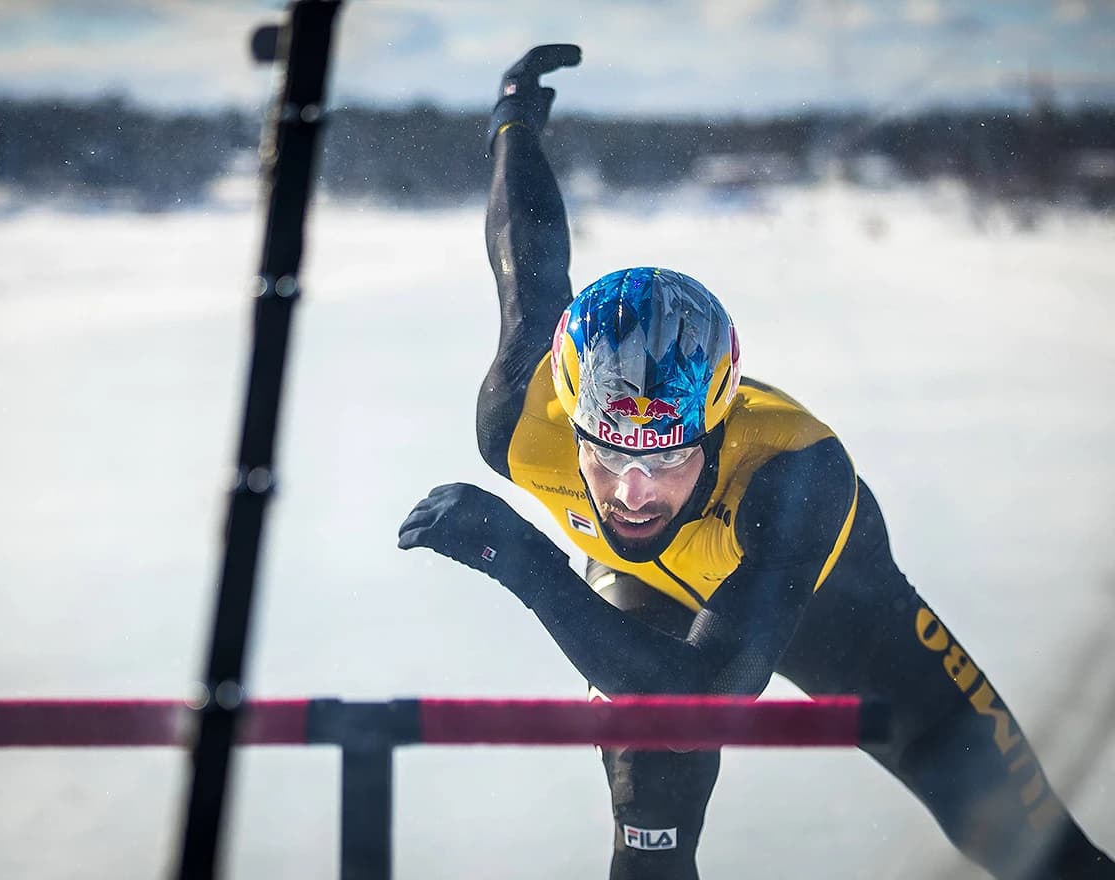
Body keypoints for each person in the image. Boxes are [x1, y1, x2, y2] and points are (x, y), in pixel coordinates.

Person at [397, 44, 1114, 880]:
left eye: (666, 459)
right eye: (607, 454)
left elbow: (710, 696)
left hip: (835, 612)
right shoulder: (521, 420)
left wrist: (516, 555)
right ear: (572, 421)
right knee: (650, 795)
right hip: (650, 597)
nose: (631, 494)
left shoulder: (796, 473)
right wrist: (513, 119)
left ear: (718, 429)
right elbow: (527, 258)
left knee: (1048, 861)